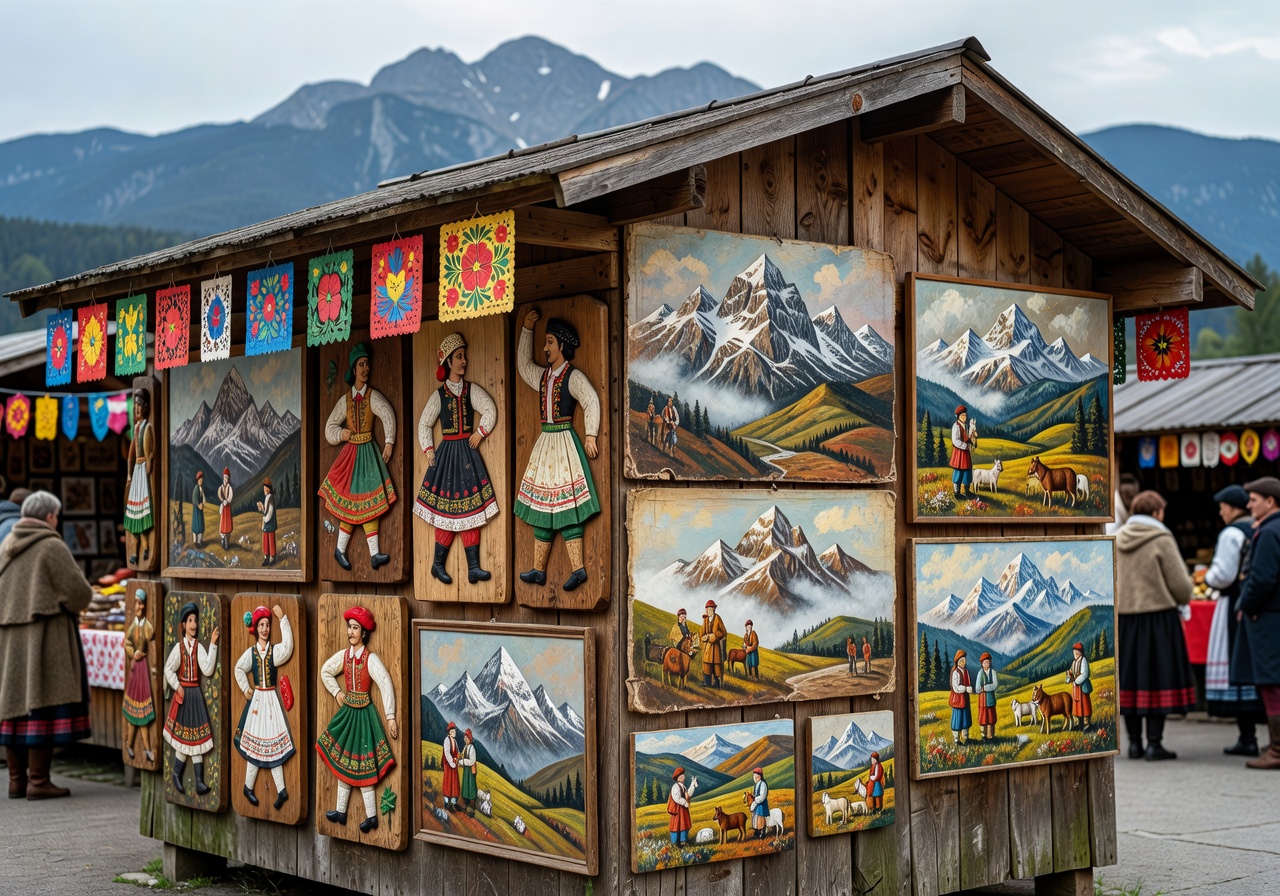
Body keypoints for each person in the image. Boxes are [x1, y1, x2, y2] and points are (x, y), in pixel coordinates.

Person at [0, 491, 93, 799]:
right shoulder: (51, 546)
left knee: (13, 707)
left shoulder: (7, 546)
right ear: (50, 516)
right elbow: (80, 593)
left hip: (10, 642)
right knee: (43, 705)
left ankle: (16, 781)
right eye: (56, 515)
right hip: (46, 638)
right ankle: (38, 782)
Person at [514, 308, 601, 591]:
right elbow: (524, 366)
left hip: (564, 443)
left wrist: (590, 435)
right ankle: (539, 570)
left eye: (549, 342)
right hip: (545, 444)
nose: (546, 348)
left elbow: (590, 400)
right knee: (542, 507)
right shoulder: (543, 376)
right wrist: (527, 330)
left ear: (562, 345)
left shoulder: (572, 377)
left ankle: (578, 569)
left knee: (566, 509)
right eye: (545, 342)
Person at [1115, 490, 1195, 761]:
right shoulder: (1161, 538)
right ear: (1158, 513)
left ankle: (1134, 744)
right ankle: (1154, 744)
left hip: (1125, 620)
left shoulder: (1116, 538)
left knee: (1131, 679)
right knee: (1157, 677)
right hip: (1158, 618)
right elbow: (1182, 588)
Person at [415, 333, 499, 586]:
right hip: (447, 457)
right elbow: (424, 423)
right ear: (448, 363)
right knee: (446, 513)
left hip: (467, 455)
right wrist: (429, 450)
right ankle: (437, 564)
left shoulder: (471, 390)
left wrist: (480, 433)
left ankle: (473, 567)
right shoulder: (438, 395)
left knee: (470, 510)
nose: (465, 361)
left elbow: (490, 410)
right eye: (459, 357)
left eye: (464, 356)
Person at [317, 607, 399, 833]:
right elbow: (325, 671)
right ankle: (341, 811)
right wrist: (337, 692)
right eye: (349, 627)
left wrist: (390, 717)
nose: (350, 632)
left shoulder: (369, 658)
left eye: (355, 628)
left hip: (364, 716)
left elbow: (385, 683)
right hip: (348, 714)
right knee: (344, 763)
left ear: (363, 633)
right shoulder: (344, 656)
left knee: (364, 766)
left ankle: (372, 816)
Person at [319, 343, 397, 572]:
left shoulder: (372, 396)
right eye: (361, 365)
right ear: (354, 369)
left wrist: (389, 442)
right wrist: (341, 434)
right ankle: (340, 549)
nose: (365, 369)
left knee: (369, 506)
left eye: (367, 364)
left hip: (369, 455)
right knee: (351, 506)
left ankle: (374, 555)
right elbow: (329, 427)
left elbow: (388, 415)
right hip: (351, 456)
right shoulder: (345, 400)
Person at [1204, 484, 1262, 755]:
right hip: (1257, 606)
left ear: (1233, 506)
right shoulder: (1257, 527)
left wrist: (1207, 577)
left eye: (1223, 506)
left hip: (1233, 606)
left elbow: (1223, 575)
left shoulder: (1231, 533)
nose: (1220, 511)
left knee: (1236, 665)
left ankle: (1247, 737)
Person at [1231, 477, 1280, 770]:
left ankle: (1277, 749)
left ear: (1270, 502)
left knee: (1271, 684)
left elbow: (1261, 578)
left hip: (1268, 617)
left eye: (1253, 499)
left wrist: (1244, 604)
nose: (1248, 504)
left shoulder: (1269, 532)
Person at [233, 605, 294, 811]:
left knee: (273, 744)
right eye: (262, 625)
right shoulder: (251, 653)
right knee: (255, 745)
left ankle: (282, 789)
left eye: (267, 625)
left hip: (271, 701)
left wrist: (282, 618)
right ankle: (248, 787)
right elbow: (238, 668)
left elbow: (288, 648)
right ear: (256, 628)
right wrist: (246, 689)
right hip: (258, 701)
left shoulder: (274, 651)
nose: (265, 629)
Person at [163, 601, 220, 795]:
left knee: (196, 740)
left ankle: (198, 781)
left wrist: (212, 645)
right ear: (183, 625)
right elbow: (168, 669)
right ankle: (177, 774)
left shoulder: (199, 647)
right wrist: (177, 686)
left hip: (195, 695)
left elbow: (208, 669)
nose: (193, 624)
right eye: (189, 620)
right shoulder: (179, 648)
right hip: (184, 695)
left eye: (195, 620)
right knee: (184, 740)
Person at [122, 588, 156, 764]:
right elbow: (127, 642)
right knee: (132, 710)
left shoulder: (146, 626)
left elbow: (152, 640)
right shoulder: (133, 625)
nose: (138, 606)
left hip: (142, 668)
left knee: (143, 712)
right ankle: (129, 744)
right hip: (135, 668)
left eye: (140, 603)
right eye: (136, 602)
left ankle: (148, 749)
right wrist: (132, 652)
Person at [124, 385, 155, 565]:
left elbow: (148, 450)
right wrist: (129, 474)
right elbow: (131, 453)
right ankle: (135, 549)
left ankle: (145, 547)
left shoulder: (146, 427)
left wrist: (148, 459)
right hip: (136, 471)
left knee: (142, 513)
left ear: (145, 408)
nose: (136, 409)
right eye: (134, 406)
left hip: (142, 470)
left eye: (138, 406)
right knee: (133, 513)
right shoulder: (136, 428)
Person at [950, 406, 976, 499]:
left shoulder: (965, 426)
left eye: (965, 415)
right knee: (958, 470)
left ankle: (967, 490)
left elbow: (966, 438)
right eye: (963, 415)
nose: (965, 417)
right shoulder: (956, 426)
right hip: (959, 453)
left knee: (967, 470)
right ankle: (957, 492)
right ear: (959, 417)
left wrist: (972, 442)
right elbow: (955, 440)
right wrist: (965, 446)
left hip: (965, 453)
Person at [1066, 642, 1093, 731]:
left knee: (1084, 704)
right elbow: (1071, 672)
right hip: (1076, 688)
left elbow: (1085, 674)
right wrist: (1069, 676)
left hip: (1082, 687)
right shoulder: (1074, 662)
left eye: (1076, 652)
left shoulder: (1083, 661)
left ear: (1080, 652)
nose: (1075, 654)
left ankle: (1087, 723)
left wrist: (1076, 681)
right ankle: (1079, 723)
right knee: (1077, 705)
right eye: (1074, 652)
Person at [700, 600, 727, 688]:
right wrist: (703, 636)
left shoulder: (717, 618)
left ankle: (717, 683)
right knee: (707, 664)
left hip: (715, 647)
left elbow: (724, 632)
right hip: (708, 647)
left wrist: (714, 636)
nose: (708, 611)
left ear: (713, 610)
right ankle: (707, 682)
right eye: (707, 609)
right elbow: (703, 631)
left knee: (716, 665)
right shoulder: (706, 619)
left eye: (710, 609)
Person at [667, 767, 696, 846]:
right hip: (677, 810)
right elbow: (677, 798)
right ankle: (675, 842)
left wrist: (692, 784)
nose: (684, 777)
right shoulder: (675, 787)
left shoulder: (683, 786)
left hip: (683, 810)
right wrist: (685, 803)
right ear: (679, 777)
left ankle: (683, 841)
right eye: (683, 775)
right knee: (676, 825)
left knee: (684, 824)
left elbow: (688, 795)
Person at [949, 649, 973, 744]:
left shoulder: (965, 671)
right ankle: (956, 738)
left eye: (964, 660)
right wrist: (966, 689)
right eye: (961, 661)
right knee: (957, 719)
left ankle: (966, 737)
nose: (963, 662)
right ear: (957, 662)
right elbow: (955, 687)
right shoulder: (955, 672)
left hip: (965, 699)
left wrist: (969, 689)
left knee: (965, 718)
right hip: (958, 700)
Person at [975, 652, 999, 739]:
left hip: (990, 699)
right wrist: (980, 689)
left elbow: (995, 684)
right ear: (982, 664)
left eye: (988, 663)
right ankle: (983, 735)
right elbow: (977, 688)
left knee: (991, 717)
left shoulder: (993, 672)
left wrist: (984, 688)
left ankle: (990, 735)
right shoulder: (980, 673)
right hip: (982, 699)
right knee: (983, 716)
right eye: (984, 663)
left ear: (990, 663)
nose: (986, 664)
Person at [440, 721, 461, 811]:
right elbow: (447, 754)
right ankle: (447, 803)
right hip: (448, 766)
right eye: (453, 730)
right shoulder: (447, 740)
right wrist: (452, 763)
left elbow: (457, 752)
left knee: (455, 784)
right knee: (448, 783)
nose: (455, 732)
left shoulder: (455, 741)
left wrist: (458, 758)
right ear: (450, 732)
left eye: (455, 730)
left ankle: (454, 802)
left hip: (454, 765)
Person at [255, 480, 277, 566]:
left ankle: (271, 557)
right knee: (266, 539)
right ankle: (267, 556)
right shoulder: (268, 497)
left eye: (266, 488)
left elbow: (268, 511)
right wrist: (262, 508)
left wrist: (265, 516)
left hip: (269, 521)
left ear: (268, 489)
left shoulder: (269, 497)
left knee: (270, 538)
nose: (264, 490)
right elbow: (266, 510)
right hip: (267, 521)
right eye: (264, 488)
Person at [460, 728, 478, 816]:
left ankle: (471, 805)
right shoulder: (466, 747)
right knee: (466, 785)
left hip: (470, 770)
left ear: (470, 739)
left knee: (470, 786)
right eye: (464, 738)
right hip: (466, 770)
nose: (465, 739)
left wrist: (463, 762)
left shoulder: (471, 748)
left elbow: (472, 761)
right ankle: (466, 804)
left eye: (466, 738)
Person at [748, 767, 769, 839]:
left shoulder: (763, 784)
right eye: (754, 777)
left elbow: (763, 795)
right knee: (755, 817)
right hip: (756, 803)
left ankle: (762, 832)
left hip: (761, 804)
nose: (754, 778)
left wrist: (755, 801)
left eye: (755, 777)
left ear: (759, 776)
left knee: (760, 817)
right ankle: (756, 832)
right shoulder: (756, 785)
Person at [217, 469, 234, 550]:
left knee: (227, 524)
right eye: (224, 477)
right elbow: (219, 494)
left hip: (227, 508)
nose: (225, 479)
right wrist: (222, 500)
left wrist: (227, 501)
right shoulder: (221, 487)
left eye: (226, 478)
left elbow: (230, 496)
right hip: (223, 508)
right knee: (222, 524)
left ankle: (226, 542)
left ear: (228, 479)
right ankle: (223, 540)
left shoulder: (229, 487)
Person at [190, 472, 206, 547]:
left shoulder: (200, 488)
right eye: (200, 480)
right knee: (197, 525)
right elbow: (194, 498)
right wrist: (198, 504)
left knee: (200, 525)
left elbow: (203, 497)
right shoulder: (196, 488)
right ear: (198, 480)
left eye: (202, 480)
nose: (201, 481)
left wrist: (202, 503)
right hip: (197, 510)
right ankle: (197, 542)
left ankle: (200, 540)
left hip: (200, 509)